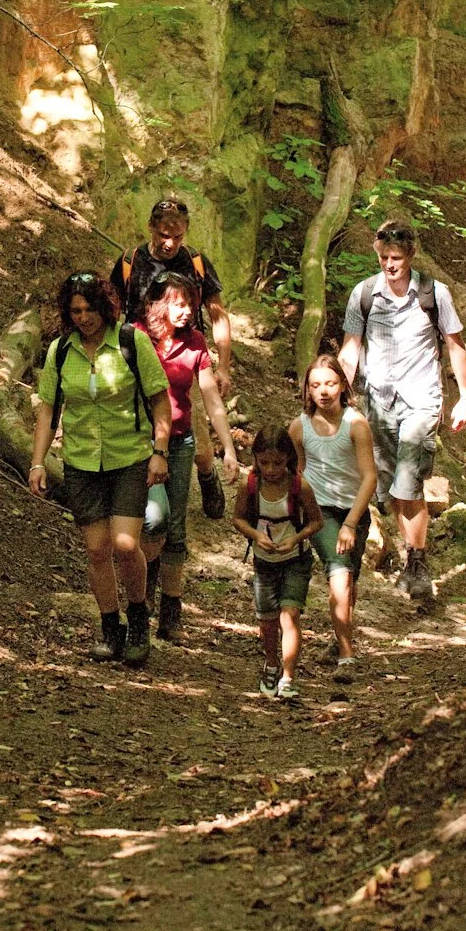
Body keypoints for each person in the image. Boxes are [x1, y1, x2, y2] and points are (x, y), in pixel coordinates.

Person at [28, 272, 174, 666]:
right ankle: (111, 628)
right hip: (81, 461)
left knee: (126, 545)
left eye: (90, 308)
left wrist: (160, 451)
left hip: (129, 458)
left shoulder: (131, 341)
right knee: (96, 550)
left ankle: (139, 616)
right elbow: (47, 410)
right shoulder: (60, 350)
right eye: (76, 310)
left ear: (105, 307)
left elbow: (161, 401)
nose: (84, 317)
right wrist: (38, 462)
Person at [337, 219, 466, 608]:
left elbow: (455, 345)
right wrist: (335, 397)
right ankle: (411, 556)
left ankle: (416, 562)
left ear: (411, 255)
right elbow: (350, 349)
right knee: (389, 489)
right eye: (383, 258)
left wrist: (465, 396)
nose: (390, 265)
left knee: (408, 479)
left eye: (396, 258)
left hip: (421, 399)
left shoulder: (435, 293)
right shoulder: (364, 294)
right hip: (378, 402)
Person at [139, 275, 239, 645]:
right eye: (179, 304)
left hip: (180, 444)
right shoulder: (134, 337)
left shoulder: (194, 342)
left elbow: (211, 399)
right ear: (159, 304)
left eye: (190, 304)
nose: (187, 312)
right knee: (152, 521)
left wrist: (226, 447)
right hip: (138, 443)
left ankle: (170, 613)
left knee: (175, 530)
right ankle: (142, 594)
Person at [290, 353, 379, 681]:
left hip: (354, 510)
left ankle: (338, 640)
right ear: (308, 390)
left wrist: (352, 523)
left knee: (348, 580)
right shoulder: (299, 427)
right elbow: (294, 471)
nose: (324, 391)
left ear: (343, 385)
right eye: (316, 385)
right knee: (339, 575)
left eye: (330, 383)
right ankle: (347, 655)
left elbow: (369, 476)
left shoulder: (355, 424)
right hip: (320, 512)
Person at [230, 426, 323, 700]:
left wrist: (296, 539)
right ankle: (271, 663)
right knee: (268, 621)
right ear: (256, 459)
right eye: (265, 462)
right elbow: (238, 519)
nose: (271, 469)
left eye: (278, 463)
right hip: (264, 561)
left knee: (290, 615)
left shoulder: (299, 486)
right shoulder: (249, 485)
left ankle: (289, 676)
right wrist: (257, 535)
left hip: (296, 559)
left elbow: (317, 521)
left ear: (288, 460)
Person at [110, 197, 234, 395]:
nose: (170, 244)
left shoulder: (196, 262)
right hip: (138, 361)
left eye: (178, 237)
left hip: (187, 364)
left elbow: (218, 316)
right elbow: (111, 314)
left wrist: (223, 368)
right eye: (164, 235)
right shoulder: (129, 262)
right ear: (150, 226)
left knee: (192, 423)